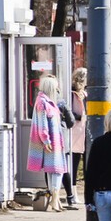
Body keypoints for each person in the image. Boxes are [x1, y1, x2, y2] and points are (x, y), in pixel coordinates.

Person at [26, 75, 68, 212]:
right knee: (57, 169)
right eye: (55, 87)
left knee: (52, 170)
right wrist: (46, 140)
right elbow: (42, 124)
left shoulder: (46, 101)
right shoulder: (43, 102)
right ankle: (55, 199)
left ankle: (55, 199)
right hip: (51, 141)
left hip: (53, 139)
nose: (57, 90)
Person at [61, 67, 87, 210]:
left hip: (82, 130)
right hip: (74, 130)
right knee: (74, 162)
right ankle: (72, 192)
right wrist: (80, 117)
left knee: (80, 161)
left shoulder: (84, 93)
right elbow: (68, 113)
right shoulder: (71, 94)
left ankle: (76, 191)